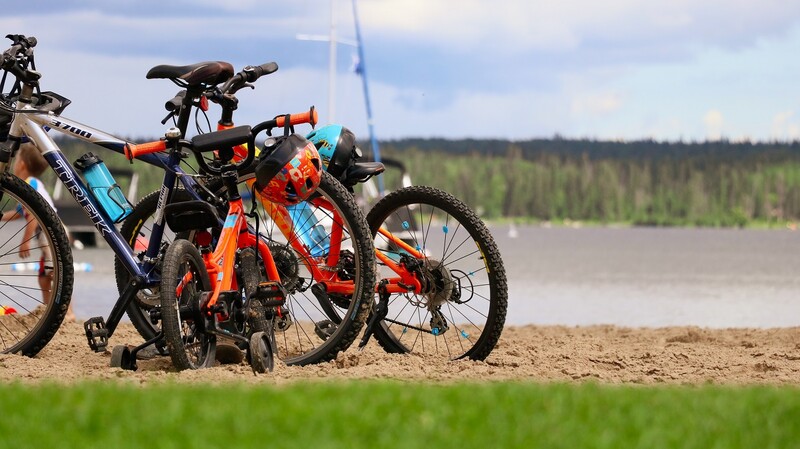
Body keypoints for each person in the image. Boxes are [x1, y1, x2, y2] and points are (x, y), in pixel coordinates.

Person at [1, 142, 75, 321]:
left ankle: (68, 313)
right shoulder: (30, 186)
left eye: (16, 160)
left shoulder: (30, 184)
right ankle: (48, 311)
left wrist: (24, 242)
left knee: (56, 274)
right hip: (49, 236)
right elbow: (19, 213)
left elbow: (33, 218)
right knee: (44, 277)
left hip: (51, 235)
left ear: (21, 165)